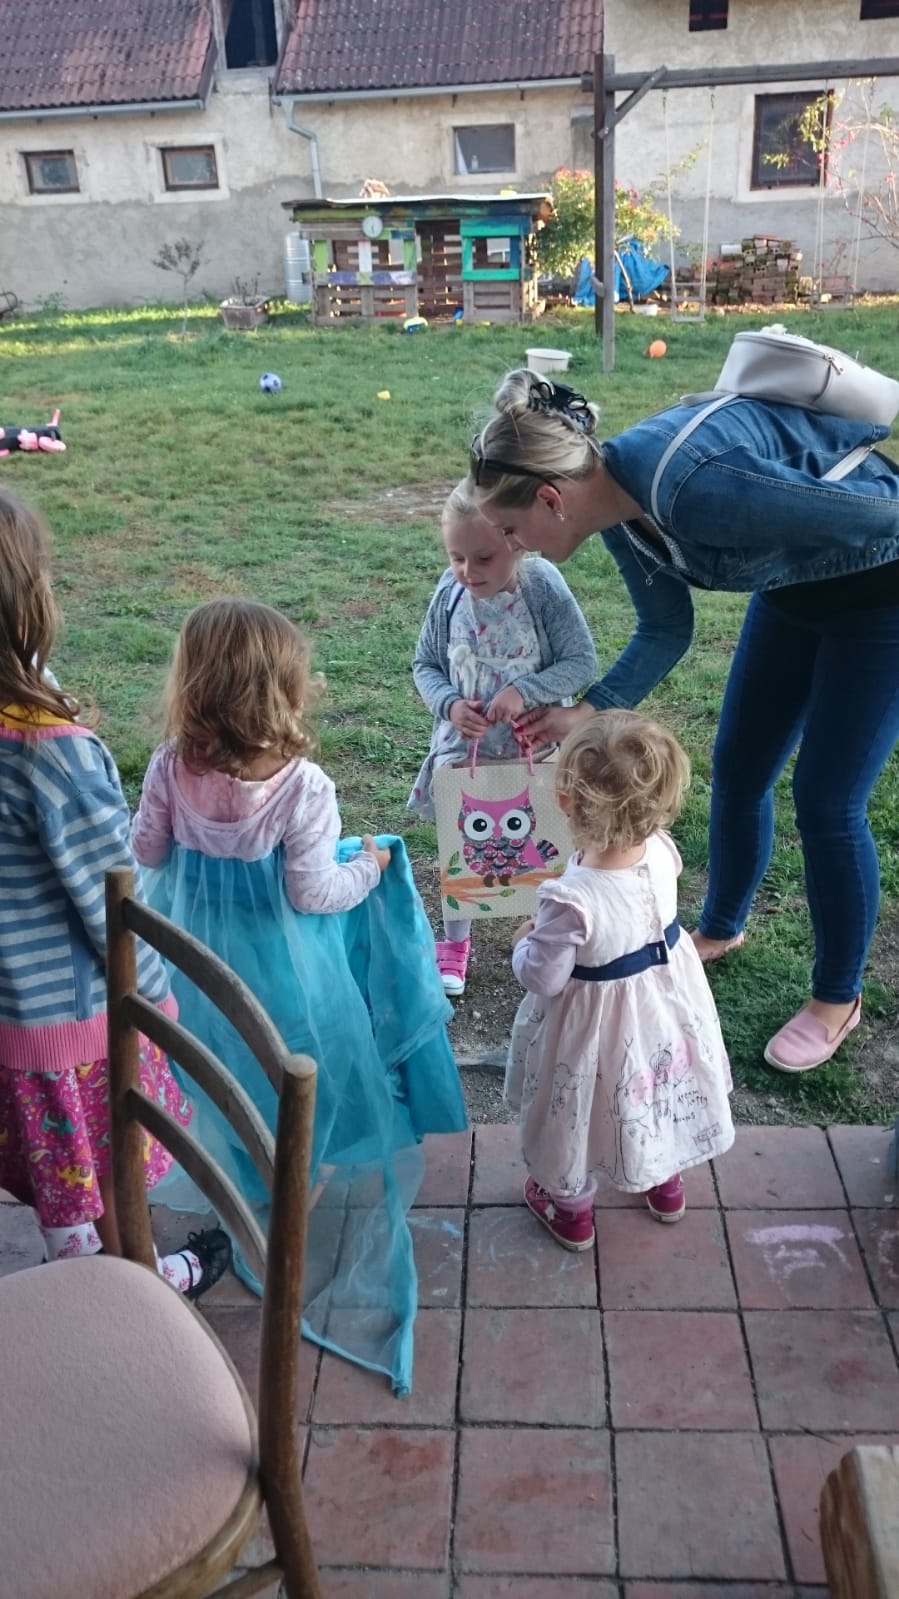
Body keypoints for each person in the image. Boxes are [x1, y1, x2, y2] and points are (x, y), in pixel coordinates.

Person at [465, 368, 899, 1075]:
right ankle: (722, 928)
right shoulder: (611, 507)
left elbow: (882, 513)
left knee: (827, 800)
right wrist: (589, 708)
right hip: (792, 595)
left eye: (511, 530)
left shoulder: (693, 485)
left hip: (882, 596)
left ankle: (835, 998)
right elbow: (665, 626)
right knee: (739, 771)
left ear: (549, 498)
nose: (516, 546)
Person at [132, 598, 467, 1395]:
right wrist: (372, 868)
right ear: (283, 688)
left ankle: (238, 1164)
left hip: (194, 960)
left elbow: (144, 848)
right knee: (294, 1064)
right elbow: (314, 893)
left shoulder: (171, 763)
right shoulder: (302, 786)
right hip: (281, 970)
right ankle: (289, 1182)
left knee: (217, 1061)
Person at [0, 489, 229, 1296]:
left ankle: (88, 1274)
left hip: (9, 1023)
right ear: (30, 601)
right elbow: (114, 907)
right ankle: (126, 1294)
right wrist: (155, 1002)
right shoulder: (51, 754)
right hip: (68, 1029)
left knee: (57, 1175)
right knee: (105, 1170)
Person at [506, 711, 733, 1250]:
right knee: (655, 1088)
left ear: (565, 801)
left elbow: (543, 977)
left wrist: (522, 941)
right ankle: (664, 1183)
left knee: (581, 1110)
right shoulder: (662, 851)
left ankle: (571, 1209)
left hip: (596, 1031)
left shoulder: (570, 899)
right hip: (663, 1011)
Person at [408, 480, 597, 995]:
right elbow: (425, 663)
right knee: (462, 843)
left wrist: (525, 690)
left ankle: (545, 932)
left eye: (483, 557)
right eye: (456, 557)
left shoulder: (542, 587)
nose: (468, 572)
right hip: (462, 749)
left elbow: (581, 660)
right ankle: (456, 941)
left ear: (517, 541)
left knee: (543, 839)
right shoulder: (450, 593)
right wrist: (450, 705)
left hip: (534, 745)